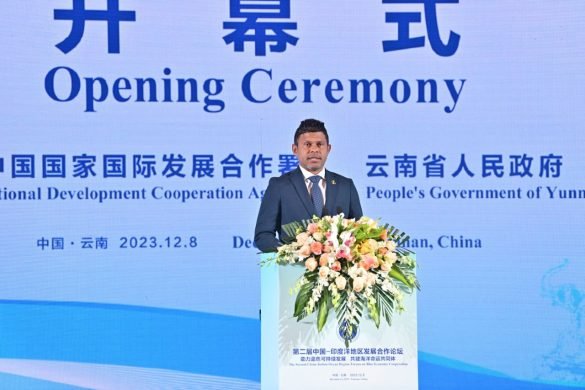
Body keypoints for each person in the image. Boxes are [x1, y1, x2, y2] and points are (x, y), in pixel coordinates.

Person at [254, 118, 363, 252]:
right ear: (295, 149)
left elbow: (360, 232)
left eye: (319, 144)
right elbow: (263, 235)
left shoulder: (346, 186)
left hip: (338, 269)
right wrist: (291, 253)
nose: (314, 150)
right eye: (307, 144)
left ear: (328, 149)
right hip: (293, 269)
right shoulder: (279, 186)